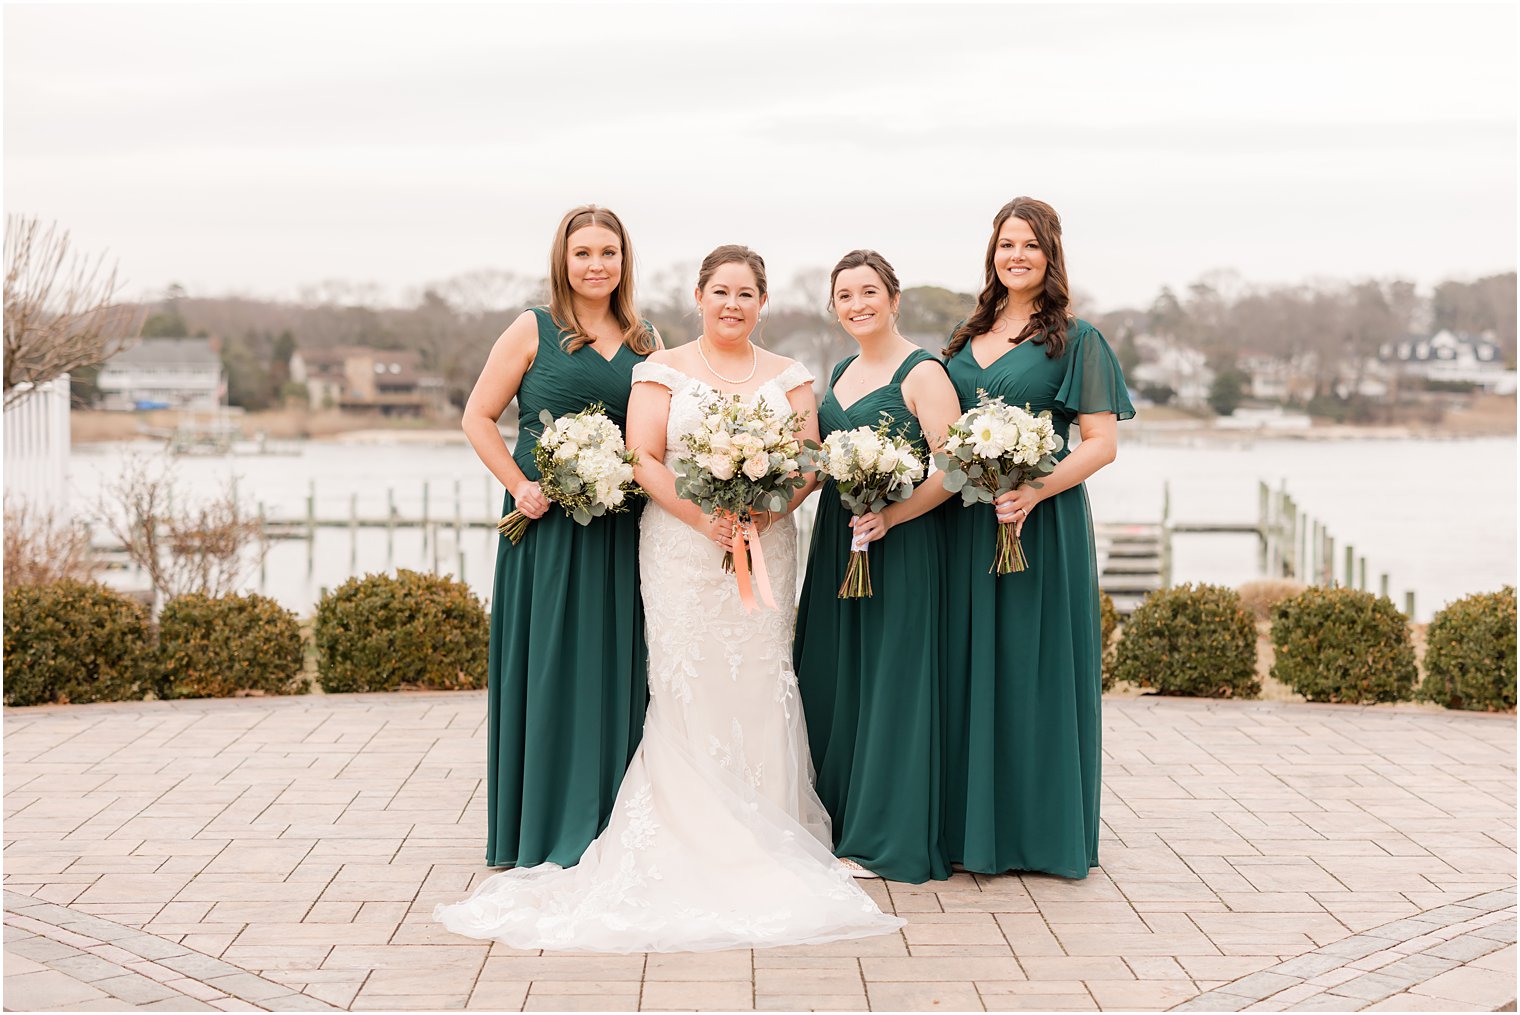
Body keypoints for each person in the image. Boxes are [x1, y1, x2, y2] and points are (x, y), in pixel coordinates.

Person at [435, 245, 903, 952]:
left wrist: (767, 511)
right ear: (698, 295)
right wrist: (702, 514)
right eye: (720, 291)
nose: (732, 304)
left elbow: (808, 462)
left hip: (766, 541)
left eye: (746, 294)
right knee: (686, 676)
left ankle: (768, 819)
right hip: (682, 547)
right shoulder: (660, 366)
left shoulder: (793, 375)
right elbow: (641, 455)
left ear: (763, 302)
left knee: (759, 674)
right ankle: (684, 823)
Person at [940, 197, 1134, 879]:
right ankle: (970, 830)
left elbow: (1102, 443)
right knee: (968, 670)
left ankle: (1038, 832)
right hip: (967, 524)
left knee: (1032, 669)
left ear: (1050, 254)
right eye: (1005, 244)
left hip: (1040, 523)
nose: (1016, 255)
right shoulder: (965, 337)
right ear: (992, 254)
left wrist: (1036, 488)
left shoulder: (1076, 339)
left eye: (1029, 244)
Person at [458, 205, 655, 869]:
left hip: (620, 532)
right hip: (544, 531)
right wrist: (519, 484)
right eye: (584, 253)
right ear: (562, 261)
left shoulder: (645, 340)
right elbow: (478, 417)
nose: (597, 264)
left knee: (616, 670)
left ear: (624, 261)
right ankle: (540, 826)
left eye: (609, 251)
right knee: (549, 673)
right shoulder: (531, 329)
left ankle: (609, 821)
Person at [793, 249, 961, 883]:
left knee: (893, 683)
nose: (856, 305)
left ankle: (886, 835)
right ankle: (836, 821)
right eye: (844, 296)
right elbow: (814, 464)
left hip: (902, 545)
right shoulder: (838, 372)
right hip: (842, 542)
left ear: (895, 298)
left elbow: (954, 468)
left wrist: (893, 516)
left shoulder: (923, 373)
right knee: (840, 677)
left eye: (868, 292)